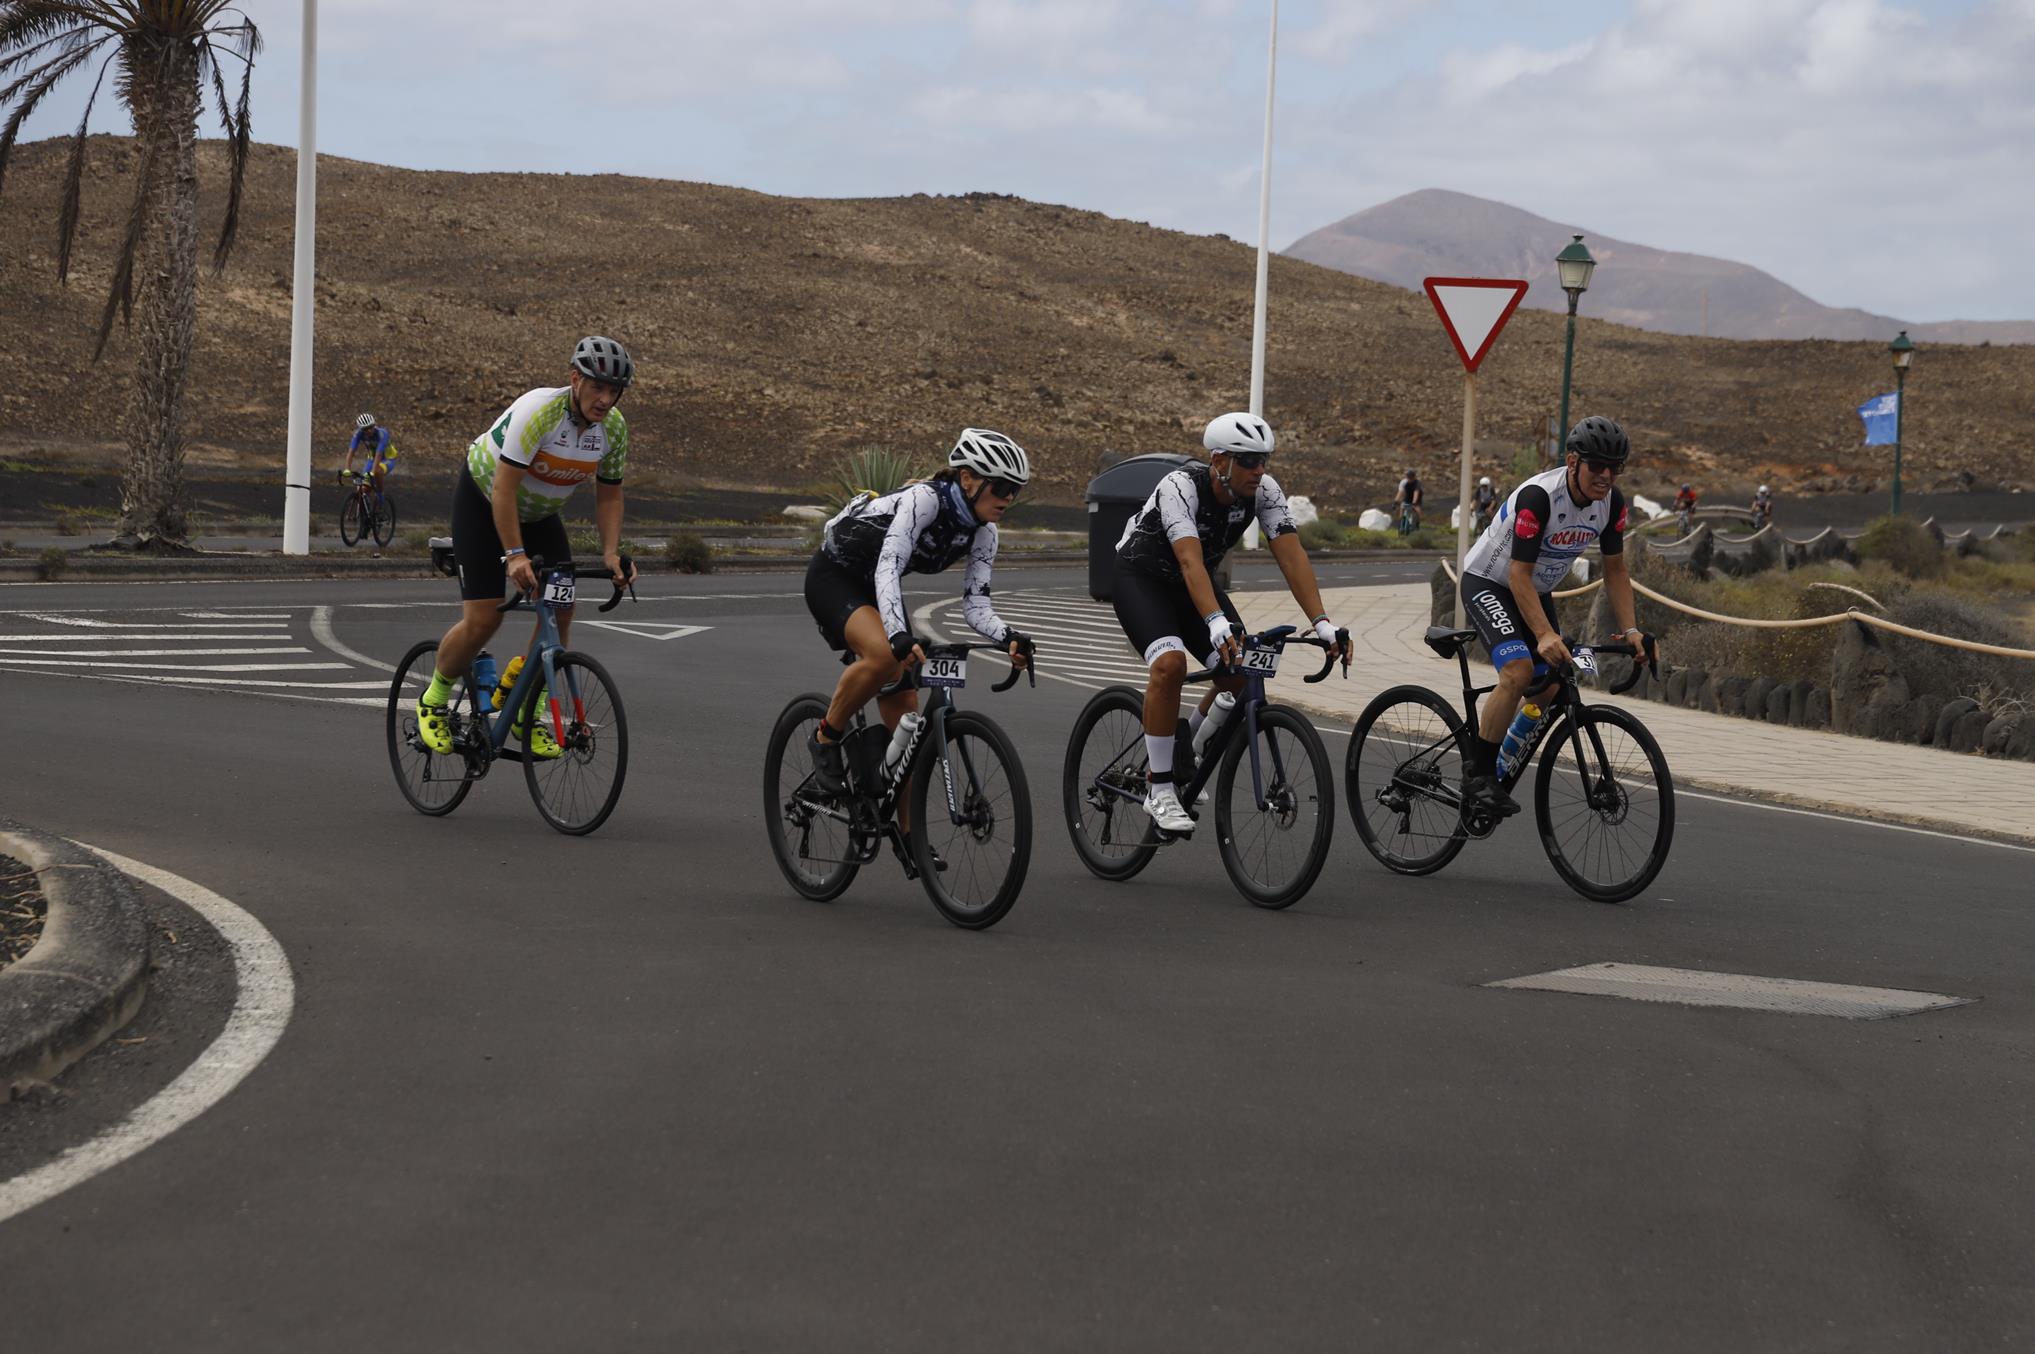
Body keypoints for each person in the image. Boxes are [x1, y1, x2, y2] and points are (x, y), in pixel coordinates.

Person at [1111, 412, 1352, 835]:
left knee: (1243, 673)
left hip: (1193, 585)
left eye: (1264, 461)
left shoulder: (1265, 492)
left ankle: (1194, 748)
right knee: (1170, 666)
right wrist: (1216, 620)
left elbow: (1292, 557)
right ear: (1220, 461)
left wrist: (1322, 621)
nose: (1259, 471)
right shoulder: (1180, 487)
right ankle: (1160, 787)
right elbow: (1188, 560)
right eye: (1249, 461)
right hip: (1141, 579)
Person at [804, 429, 1035, 848]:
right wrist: (896, 635)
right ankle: (826, 736)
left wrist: (1009, 637)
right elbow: (888, 566)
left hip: (877, 592)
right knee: (883, 657)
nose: (1008, 498)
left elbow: (975, 606)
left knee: (908, 722)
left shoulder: (985, 531)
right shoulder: (924, 500)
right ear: (968, 478)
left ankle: (910, 837)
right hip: (835, 577)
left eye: (1015, 490)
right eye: (1001, 486)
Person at [414, 336, 640, 760]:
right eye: (597, 387)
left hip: (539, 515)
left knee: (562, 605)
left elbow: (610, 494)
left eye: (614, 392)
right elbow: (503, 489)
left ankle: (527, 706)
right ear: (575, 379)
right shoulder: (539, 411)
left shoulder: (614, 429)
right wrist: (514, 555)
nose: (605, 399)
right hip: (485, 502)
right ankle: (434, 697)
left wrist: (612, 553)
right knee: (484, 618)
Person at [1456, 415, 1658, 816]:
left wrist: (1631, 629)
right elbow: (1517, 575)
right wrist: (1545, 635)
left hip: (1535, 589)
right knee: (1517, 671)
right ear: (1572, 461)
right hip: (1489, 582)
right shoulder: (1539, 498)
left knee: (1551, 684)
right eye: (1596, 466)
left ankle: (1502, 759)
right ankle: (1478, 777)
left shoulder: (1612, 504)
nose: (1605, 476)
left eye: (1614, 468)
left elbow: (1615, 570)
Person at [344, 412, 399, 498]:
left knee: (377, 471)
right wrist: (347, 469)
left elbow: (379, 454)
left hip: (387, 459)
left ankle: (380, 495)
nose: (369, 430)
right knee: (362, 489)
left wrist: (372, 473)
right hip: (372, 460)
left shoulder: (382, 434)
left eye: (371, 427)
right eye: (365, 429)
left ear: (374, 425)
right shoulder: (358, 434)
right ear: (361, 429)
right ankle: (363, 509)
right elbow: (351, 452)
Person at [1395, 467, 1424, 532]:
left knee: (1418, 511)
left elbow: (1416, 493)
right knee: (1402, 508)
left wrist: (1414, 503)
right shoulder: (1404, 483)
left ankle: (1417, 524)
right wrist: (1396, 501)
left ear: (1413, 477)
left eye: (1410, 477)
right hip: (1407, 497)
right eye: (1407, 477)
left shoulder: (1417, 483)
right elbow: (1400, 492)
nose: (1408, 479)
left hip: (1417, 499)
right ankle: (1401, 524)